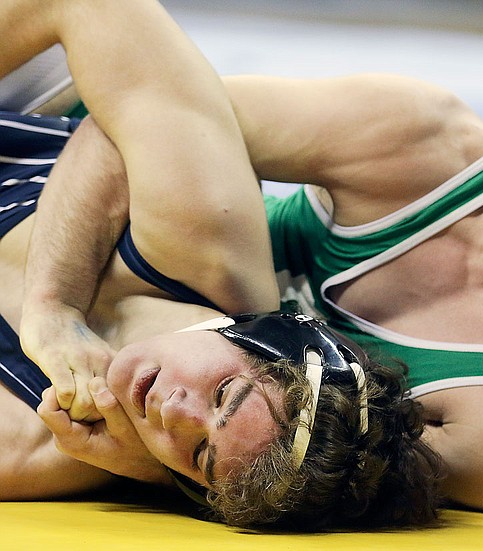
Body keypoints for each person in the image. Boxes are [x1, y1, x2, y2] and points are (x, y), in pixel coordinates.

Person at [7, 5, 483, 514]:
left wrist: (146, 463)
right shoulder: (422, 141)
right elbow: (135, 119)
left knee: (56, 449)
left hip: (189, 362)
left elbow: (291, 481)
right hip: (153, 243)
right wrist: (54, 307)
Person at [0, 0, 440, 530]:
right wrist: (54, 304)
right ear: (266, 335)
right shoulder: (209, 240)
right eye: (225, 394)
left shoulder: (40, 441)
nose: (176, 416)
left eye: (202, 455)